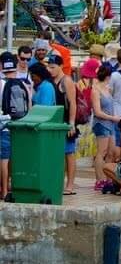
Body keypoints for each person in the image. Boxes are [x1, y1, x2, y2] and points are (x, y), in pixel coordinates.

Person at [40, 56, 79, 195]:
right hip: (55, 122)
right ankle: (58, 182)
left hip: (65, 121)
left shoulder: (66, 81)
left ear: (61, 66)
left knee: (69, 153)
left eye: (53, 67)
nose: (50, 70)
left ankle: (70, 185)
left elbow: (73, 103)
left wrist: (71, 123)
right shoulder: (50, 81)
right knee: (57, 154)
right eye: (48, 67)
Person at [0, 52, 31, 200]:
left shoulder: (1, 83)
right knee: (14, 157)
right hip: (18, 126)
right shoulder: (23, 83)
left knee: (3, 159)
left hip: (3, 126)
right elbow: (29, 106)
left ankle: (4, 190)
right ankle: (14, 186)